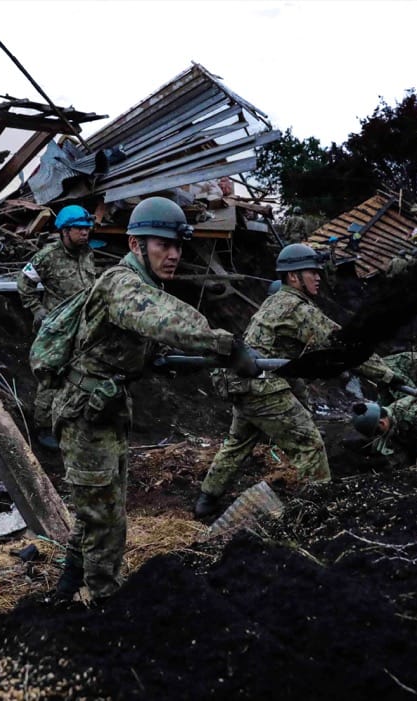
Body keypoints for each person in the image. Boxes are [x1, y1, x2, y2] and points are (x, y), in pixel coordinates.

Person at [51, 196, 260, 602]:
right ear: (135, 245)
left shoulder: (142, 284)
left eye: (178, 246)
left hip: (106, 410)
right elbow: (162, 317)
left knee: (101, 506)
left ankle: (66, 588)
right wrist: (226, 347)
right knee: (105, 520)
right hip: (85, 415)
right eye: (163, 245)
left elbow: (140, 346)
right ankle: (105, 607)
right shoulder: (122, 283)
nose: (174, 254)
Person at [194, 243, 339, 519]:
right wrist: (388, 376)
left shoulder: (272, 304)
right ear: (294, 277)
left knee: (238, 443)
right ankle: (319, 512)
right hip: (261, 386)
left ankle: (206, 501)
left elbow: (293, 376)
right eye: (312, 271)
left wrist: (303, 409)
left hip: (244, 384)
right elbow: (340, 344)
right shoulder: (295, 308)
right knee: (310, 444)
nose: (319, 277)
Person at [18, 204, 98, 449]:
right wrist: (37, 309)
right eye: (78, 229)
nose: (85, 233)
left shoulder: (88, 254)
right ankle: (43, 428)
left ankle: (69, 419)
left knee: (78, 376)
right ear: (64, 231)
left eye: (87, 229)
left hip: (83, 327)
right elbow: (24, 283)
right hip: (57, 328)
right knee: (50, 378)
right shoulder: (47, 256)